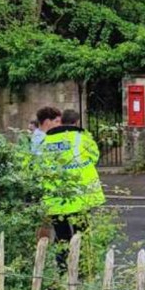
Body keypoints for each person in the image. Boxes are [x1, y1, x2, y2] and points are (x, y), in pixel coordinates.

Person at [37, 109, 106, 256]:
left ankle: (63, 270)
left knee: (61, 236)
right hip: (79, 196)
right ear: (76, 122)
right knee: (81, 234)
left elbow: (39, 166)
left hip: (54, 198)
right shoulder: (82, 138)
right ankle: (83, 266)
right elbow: (94, 157)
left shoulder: (46, 140)